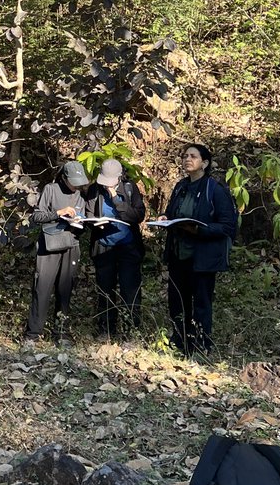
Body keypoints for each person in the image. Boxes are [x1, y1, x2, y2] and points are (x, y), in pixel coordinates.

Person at [163, 143, 238, 354]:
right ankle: (180, 342)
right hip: (179, 255)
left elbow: (228, 226)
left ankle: (202, 345)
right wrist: (165, 219)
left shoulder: (215, 190)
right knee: (177, 300)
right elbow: (172, 212)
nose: (187, 159)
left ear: (204, 163)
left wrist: (199, 230)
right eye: (185, 155)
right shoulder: (181, 186)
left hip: (202, 257)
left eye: (193, 156)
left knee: (201, 303)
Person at [24, 159, 90, 343]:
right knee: (42, 289)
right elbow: (37, 216)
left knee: (65, 290)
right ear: (64, 178)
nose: (76, 187)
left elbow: (84, 218)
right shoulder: (51, 189)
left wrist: (82, 222)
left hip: (71, 244)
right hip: (50, 245)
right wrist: (58, 213)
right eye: (73, 183)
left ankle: (61, 333)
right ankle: (33, 334)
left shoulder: (81, 195)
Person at [84, 158, 146, 339]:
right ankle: (105, 330)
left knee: (130, 290)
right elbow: (89, 212)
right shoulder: (95, 189)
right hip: (104, 246)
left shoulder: (130, 188)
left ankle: (131, 332)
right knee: (105, 290)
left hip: (128, 247)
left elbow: (137, 215)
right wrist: (96, 224)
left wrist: (115, 199)